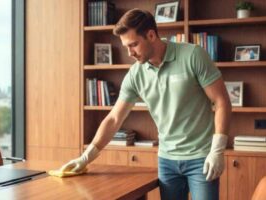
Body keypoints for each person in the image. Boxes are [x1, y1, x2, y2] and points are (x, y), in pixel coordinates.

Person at [61, 8, 231, 200]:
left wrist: (217, 150)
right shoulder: (136, 74)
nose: (129, 53)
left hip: (201, 157)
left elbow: (221, 101)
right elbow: (114, 118)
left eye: (133, 45)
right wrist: (86, 157)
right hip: (166, 160)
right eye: (126, 46)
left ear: (151, 35)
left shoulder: (193, 55)